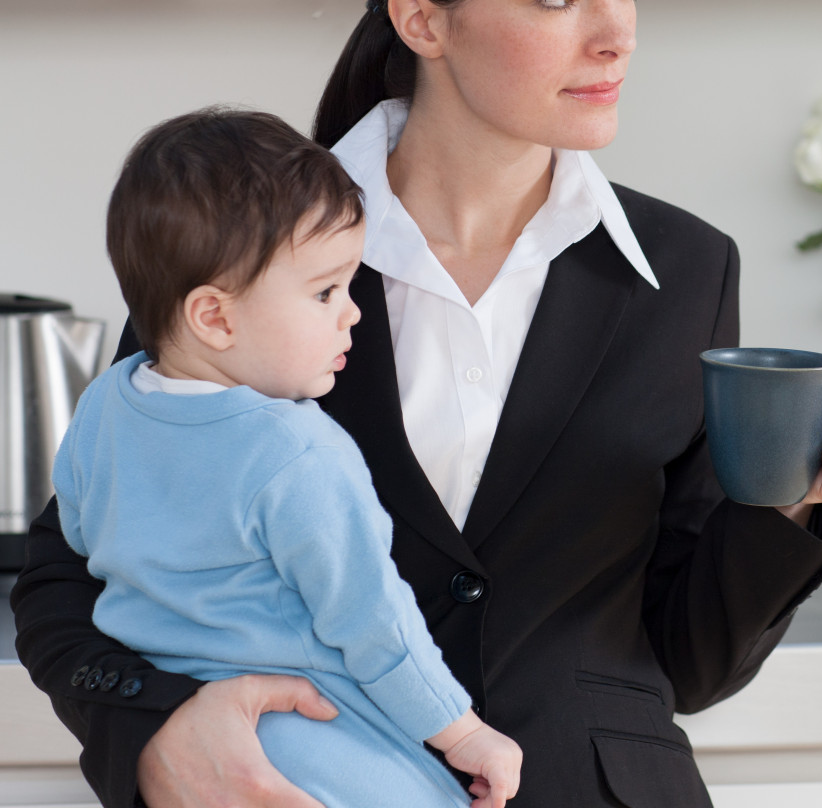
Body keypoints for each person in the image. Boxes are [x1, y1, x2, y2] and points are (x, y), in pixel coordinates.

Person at [11, 0, 822, 808]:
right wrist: (155, 735)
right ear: (421, 19)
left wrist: (800, 507)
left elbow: (690, 664)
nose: (616, 32)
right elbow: (62, 586)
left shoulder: (686, 271)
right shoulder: (240, 250)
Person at [54, 109, 522, 808]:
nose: (352, 313)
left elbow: (83, 538)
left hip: (199, 743)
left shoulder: (104, 406)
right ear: (214, 317)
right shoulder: (299, 450)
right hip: (323, 740)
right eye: (325, 291)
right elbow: (373, 623)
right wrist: (462, 734)